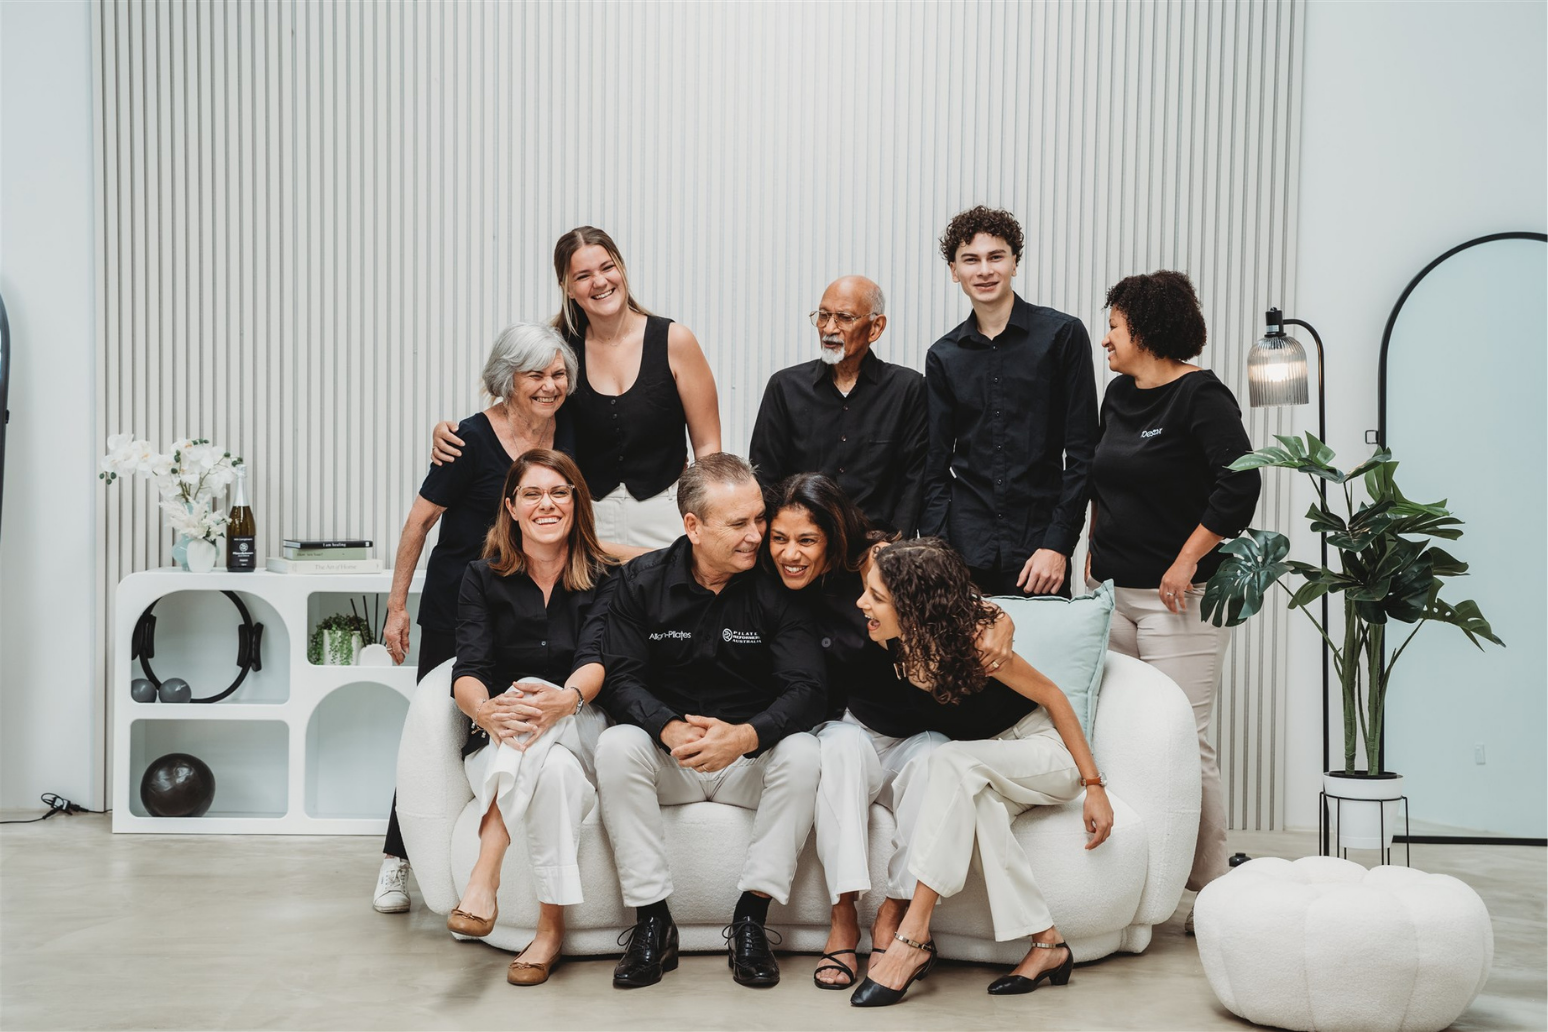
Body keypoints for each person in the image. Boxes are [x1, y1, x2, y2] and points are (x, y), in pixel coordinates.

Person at [760, 473, 1014, 990]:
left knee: (936, 760)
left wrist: (1000, 618)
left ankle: (893, 916)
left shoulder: (877, 560)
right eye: (780, 539)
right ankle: (842, 918)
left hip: (917, 730)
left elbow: (952, 600)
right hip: (852, 724)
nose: (791, 553)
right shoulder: (771, 575)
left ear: (833, 535)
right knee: (839, 751)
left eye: (807, 540)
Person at [593, 453, 827, 990]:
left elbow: (809, 690)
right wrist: (669, 729)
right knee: (616, 745)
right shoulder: (641, 582)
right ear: (693, 527)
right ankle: (653, 924)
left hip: (747, 761)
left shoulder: (777, 588)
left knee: (804, 752)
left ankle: (750, 920)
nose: (756, 535)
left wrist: (746, 736)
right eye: (739, 523)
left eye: (758, 518)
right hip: (671, 758)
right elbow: (619, 677)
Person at [847, 538, 1114, 1008]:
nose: (861, 603)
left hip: (1041, 753)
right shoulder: (897, 641)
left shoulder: (977, 644)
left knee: (946, 758)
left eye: (876, 597)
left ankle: (912, 935)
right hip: (988, 766)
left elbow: (1054, 698)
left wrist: (1094, 786)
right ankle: (1049, 943)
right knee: (979, 811)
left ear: (911, 608)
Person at [372, 323, 577, 915]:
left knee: (522, 722)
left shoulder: (569, 432)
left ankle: (485, 852)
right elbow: (418, 524)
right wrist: (396, 605)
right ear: (505, 379)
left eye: (558, 374)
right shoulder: (465, 439)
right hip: (457, 605)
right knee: (438, 729)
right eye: (534, 375)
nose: (549, 386)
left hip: (531, 604)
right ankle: (397, 861)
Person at [1087, 271, 1260, 913]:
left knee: (1186, 737)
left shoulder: (1202, 397)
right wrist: (1093, 547)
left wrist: (1188, 559)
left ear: (1147, 330)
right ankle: (1140, 873)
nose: (1105, 337)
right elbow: (1104, 479)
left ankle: (1212, 883)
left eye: (1114, 326)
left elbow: (1238, 487)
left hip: (1176, 601)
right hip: (1114, 593)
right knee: (1124, 734)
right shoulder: (1118, 395)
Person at [446, 449, 619, 986]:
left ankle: (485, 868)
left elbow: (594, 658)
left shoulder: (605, 577)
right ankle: (550, 932)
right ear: (512, 507)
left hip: (581, 723)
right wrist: (487, 710)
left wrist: (564, 699)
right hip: (503, 739)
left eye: (559, 492)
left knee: (540, 697)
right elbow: (468, 669)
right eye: (532, 494)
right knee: (552, 765)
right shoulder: (481, 577)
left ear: (576, 502)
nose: (547, 503)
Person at [434, 226, 721, 550]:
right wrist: (453, 432)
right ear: (567, 288)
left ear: (621, 269)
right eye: (583, 275)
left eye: (607, 267)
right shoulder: (557, 348)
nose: (599, 281)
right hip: (585, 518)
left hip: (667, 514)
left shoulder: (674, 340)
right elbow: (515, 412)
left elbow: (708, 445)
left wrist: (704, 515)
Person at [920, 205, 1098, 597]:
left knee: (1039, 661)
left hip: (1040, 552)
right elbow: (934, 468)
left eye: (995, 256)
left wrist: (1058, 544)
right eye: (971, 260)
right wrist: (939, 557)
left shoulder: (1063, 336)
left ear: (1014, 262)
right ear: (954, 271)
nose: (984, 270)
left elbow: (1083, 453)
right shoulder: (943, 356)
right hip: (964, 556)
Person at [749, 277, 927, 535]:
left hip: (875, 548)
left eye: (844, 317)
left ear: (875, 327)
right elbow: (764, 478)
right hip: (803, 544)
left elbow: (914, 481)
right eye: (823, 316)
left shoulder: (907, 389)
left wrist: (893, 552)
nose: (829, 328)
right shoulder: (785, 387)